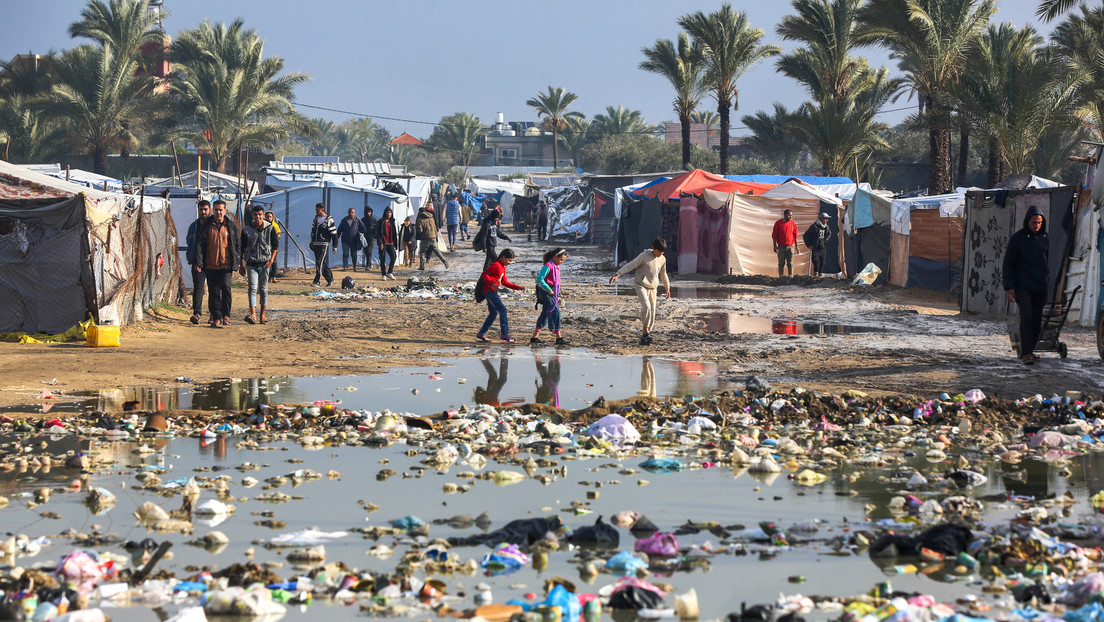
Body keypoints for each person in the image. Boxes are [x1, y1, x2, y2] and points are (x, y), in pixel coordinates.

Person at [1003, 206, 1049, 365]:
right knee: (1027, 317)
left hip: (1040, 286)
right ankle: (1026, 353)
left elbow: (1047, 262)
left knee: (1037, 320)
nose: (1036, 225)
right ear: (1027, 221)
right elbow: (1008, 264)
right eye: (1034, 222)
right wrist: (1009, 287)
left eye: (1039, 222)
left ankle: (1030, 350)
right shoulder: (1018, 239)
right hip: (1022, 286)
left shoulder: (1045, 238)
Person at [609, 237, 670, 346]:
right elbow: (631, 265)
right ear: (653, 248)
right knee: (646, 306)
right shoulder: (644, 256)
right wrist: (617, 274)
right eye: (659, 251)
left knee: (652, 311)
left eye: (662, 251)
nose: (660, 253)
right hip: (641, 285)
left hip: (653, 287)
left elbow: (663, 274)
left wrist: (667, 287)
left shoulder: (662, 259)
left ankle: (646, 335)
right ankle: (646, 331)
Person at [195, 199, 240, 328]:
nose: (218, 212)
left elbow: (237, 244)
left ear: (225, 211)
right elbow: (200, 244)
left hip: (226, 264)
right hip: (211, 264)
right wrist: (199, 262)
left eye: (220, 210)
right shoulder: (207, 226)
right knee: (214, 291)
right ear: (212, 211)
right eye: (216, 210)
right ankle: (216, 316)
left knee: (226, 287)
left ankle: (226, 315)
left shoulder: (231, 226)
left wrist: (236, 260)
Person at [239, 205, 279, 324]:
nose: (258, 217)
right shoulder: (246, 230)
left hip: (265, 264)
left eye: (260, 214)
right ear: (252, 215)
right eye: (256, 215)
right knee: (252, 288)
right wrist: (241, 264)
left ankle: (263, 314)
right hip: (251, 263)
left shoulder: (270, 228)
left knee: (263, 289)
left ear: (263, 215)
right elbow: (242, 248)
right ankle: (253, 314)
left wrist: (271, 260)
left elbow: (275, 246)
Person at [476, 248, 525, 343]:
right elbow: (484, 274)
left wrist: (517, 287)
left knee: (493, 313)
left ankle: (481, 333)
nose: (510, 262)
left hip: (492, 291)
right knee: (503, 309)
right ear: (503, 257)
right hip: (489, 291)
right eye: (509, 260)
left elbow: (504, 282)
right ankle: (504, 334)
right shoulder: (496, 265)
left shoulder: (503, 267)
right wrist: (492, 284)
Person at [531, 247, 568, 346]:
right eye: (561, 260)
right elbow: (539, 278)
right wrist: (549, 289)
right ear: (555, 256)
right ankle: (558, 337)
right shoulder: (548, 266)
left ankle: (535, 337)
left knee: (546, 313)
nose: (561, 262)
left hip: (552, 291)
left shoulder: (555, 266)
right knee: (555, 312)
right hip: (547, 292)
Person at [185, 200, 211, 324]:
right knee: (198, 288)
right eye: (201, 209)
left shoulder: (213, 225)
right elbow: (189, 242)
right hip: (197, 262)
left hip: (213, 262)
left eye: (205, 209)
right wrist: (194, 260)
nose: (203, 212)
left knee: (214, 289)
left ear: (209, 210)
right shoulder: (194, 226)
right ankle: (196, 313)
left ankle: (214, 314)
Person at [476, 206, 512, 270]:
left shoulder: (493, 224)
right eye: (497, 218)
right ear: (494, 217)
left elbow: (498, 233)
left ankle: (485, 274)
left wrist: (506, 238)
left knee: (488, 261)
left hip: (493, 244)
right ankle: (496, 272)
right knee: (495, 260)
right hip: (489, 245)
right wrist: (484, 247)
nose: (497, 219)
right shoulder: (487, 224)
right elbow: (483, 236)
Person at [309, 203, 337, 286]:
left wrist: (335, 246)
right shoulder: (316, 219)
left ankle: (317, 281)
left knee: (319, 262)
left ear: (322, 210)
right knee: (322, 263)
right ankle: (330, 279)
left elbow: (334, 234)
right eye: (316, 210)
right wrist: (312, 241)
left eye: (318, 210)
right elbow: (313, 230)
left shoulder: (329, 220)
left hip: (324, 243)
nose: (317, 212)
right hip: (316, 243)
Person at [416, 205, 449, 269]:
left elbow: (419, 230)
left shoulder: (420, 219)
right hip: (433, 236)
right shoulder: (431, 217)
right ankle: (444, 260)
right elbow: (435, 227)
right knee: (436, 250)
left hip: (425, 237)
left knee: (422, 251)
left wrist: (421, 235)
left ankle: (422, 266)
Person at [772, 208, 799, 277]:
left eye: (791, 215)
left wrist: (797, 246)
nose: (790, 217)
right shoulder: (778, 223)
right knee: (781, 263)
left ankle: (791, 277)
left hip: (791, 246)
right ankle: (781, 277)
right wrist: (775, 245)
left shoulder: (793, 223)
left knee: (790, 263)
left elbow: (795, 235)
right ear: (785, 215)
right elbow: (774, 235)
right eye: (789, 215)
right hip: (781, 246)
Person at [376, 206, 398, 280]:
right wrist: (380, 243)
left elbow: (394, 233)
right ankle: (383, 274)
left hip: (391, 242)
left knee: (394, 256)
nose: (389, 214)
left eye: (390, 212)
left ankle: (390, 272)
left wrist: (395, 243)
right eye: (387, 212)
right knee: (382, 258)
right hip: (383, 242)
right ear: (385, 213)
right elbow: (378, 233)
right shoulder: (381, 221)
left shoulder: (392, 221)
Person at [808, 213, 832, 277]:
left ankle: (820, 276)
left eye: (827, 219)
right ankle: (815, 276)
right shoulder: (814, 226)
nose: (827, 220)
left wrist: (826, 240)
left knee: (822, 262)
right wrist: (809, 245)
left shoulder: (826, 227)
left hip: (822, 248)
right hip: (815, 248)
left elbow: (829, 233)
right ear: (821, 219)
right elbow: (806, 236)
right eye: (825, 219)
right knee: (816, 262)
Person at [264, 211, 281, 282]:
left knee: (274, 261)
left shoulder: (275, 225)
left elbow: (279, 234)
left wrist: (276, 237)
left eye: (270, 217)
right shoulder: (263, 225)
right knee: (266, 261)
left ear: (272, 217)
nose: (269, 218)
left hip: (273, 247)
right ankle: (268, 277)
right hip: (265, 247)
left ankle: (274, 276)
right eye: (267, 217)